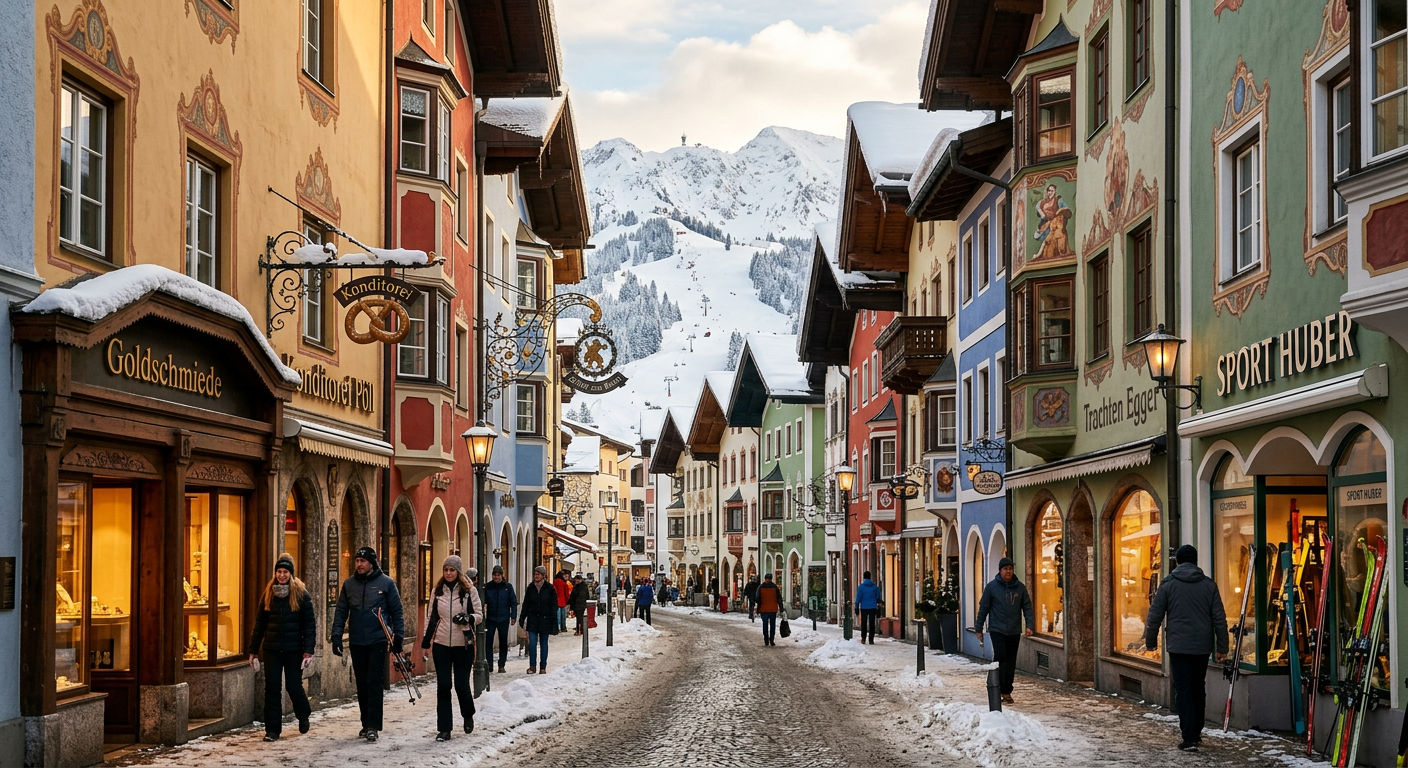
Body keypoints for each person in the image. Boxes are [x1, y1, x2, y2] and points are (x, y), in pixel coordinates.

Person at [1144, 544, 1228, 752]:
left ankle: (1188, 736)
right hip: (1201, 647)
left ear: (1178, 562)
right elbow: (1219, 618)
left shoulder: (1168, 584)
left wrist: (1150, 641)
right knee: (1198, 688)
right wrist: (1223, 647)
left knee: (1183, 690)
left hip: (1178, 647)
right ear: (1196, 561)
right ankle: (1196, 732)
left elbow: (1155, 615)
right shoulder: (1209, 585)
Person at [330, 546, 405, 742]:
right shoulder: (349, 585)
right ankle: (365, 723)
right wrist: (337, 634)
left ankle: (373, 725)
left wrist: (398, 637)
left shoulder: (386, 583)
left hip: (378, 639)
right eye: (357, 561)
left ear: (371, 563)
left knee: (374, 682)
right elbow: (341, 611)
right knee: (362, 683)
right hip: (357, 640)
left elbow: (397, 612)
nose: (359, 564)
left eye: (363, 561)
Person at [249, 553, 315, 741]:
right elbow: (260, 624)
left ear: (291, 574)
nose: (282, 575)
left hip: (294, 650)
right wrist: (253, 651)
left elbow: (309, 625)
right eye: (279, 571)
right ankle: (272, 730)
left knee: (294, 686)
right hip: (272, 650)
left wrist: (308, 650)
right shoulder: (268, 593)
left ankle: (303, 714)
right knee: (272, 689)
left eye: (285, 572)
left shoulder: (301, 594)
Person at [419, 555, 481, 742]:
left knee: (461, 684)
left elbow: (479, 614)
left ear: (458, 571)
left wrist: (468, 618)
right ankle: (444, 729)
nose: (448, 573)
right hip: (441, 644)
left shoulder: (470, 591)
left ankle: (468, 714)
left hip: (464, 645)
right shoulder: (438, 591)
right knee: (444, 685)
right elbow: (431, 618)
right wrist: (426, 642)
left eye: (452, 570)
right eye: (446, 570)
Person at [974, 557, 1035, 705]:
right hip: (997, 629)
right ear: (1000, 571)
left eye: (1010, 569)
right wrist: (978, 628)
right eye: (1005, 569)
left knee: (1011, 661)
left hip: (1014, 630)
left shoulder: (1020, 588)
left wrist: (1029, 625)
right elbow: (984, 608)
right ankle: (996, 685)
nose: (1008, 571)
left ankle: (1007, 691)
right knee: (1001, 657)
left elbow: (1027, 606)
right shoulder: (992, 587)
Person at [520, 565, 557, 674]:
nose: (536, 576)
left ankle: (543, 667)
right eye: (535, 574)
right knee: (532, 644)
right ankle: (532, 666)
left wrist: (554, 622)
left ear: (543, 576)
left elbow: (553, 605)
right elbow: (526, 604)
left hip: (545, 620)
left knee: (544, 643)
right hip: (533, 620)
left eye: (538, 574)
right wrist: (522, 618)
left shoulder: (550, 588)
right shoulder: (530, 587)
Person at [482, 564, 517, 674]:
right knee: (488, 642)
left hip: (503, 618)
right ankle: (490, 665)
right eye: (494, 575)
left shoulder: (508, 587)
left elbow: (513, 602)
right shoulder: (488, 587)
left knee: (503, 642)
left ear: (502, 575)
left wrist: (513, 616)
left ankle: (501, 665)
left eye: (498, 575)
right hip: (491, 619)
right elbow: (482, 602)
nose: (496, 577)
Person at [855, 571, 882, 645]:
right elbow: (878, 598)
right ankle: (871, 639)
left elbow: (858, 598)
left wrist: (856, 607)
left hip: (864, 607)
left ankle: (863, 638)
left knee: (863, 623)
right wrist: (879, 608)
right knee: (872, 623)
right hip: (873, 607)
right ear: (870, 577)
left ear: (864, 577)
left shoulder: (861, 587)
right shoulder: (875, 587)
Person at [756, 573, 783, 646]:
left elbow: (757, 598)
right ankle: (771, 640)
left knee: (765, 625)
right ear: (771, 579)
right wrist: (781, 608)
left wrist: (758, 607)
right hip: (773, 609)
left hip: (764, 609)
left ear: (765, 579)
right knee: (772, 625)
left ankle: (766, 640)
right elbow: (779, 598)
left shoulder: (761, 587)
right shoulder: (775, 587)